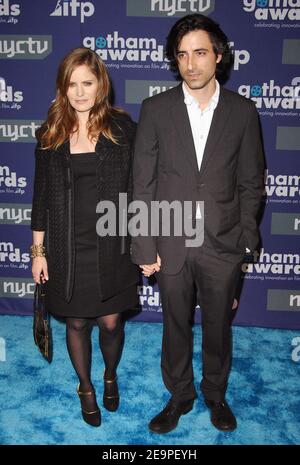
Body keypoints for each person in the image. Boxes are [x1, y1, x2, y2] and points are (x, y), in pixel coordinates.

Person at [131, 14, 264, 433]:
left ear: (218, 56)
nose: (191, 64)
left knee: (218, 325)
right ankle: (180, 395)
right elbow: (142, 182)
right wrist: (144, 245)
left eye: (200, 53)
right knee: (174, 323)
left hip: (223, 244)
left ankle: (215, 394)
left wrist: (245, 238)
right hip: (170, 240)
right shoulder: (155, 109)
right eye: (183, 55)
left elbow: (251, 183)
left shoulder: (243, 112)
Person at [31, 47, 138, 427]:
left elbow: (140, 189)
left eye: (87, 83)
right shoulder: (50, 133)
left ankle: (110, 374)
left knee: (111, 322)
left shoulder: (123, 129)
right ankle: (86, 387)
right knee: (76, 323)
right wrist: (38, 251)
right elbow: (40, 195)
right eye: (72, 84)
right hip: (66, 246)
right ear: (63, 88)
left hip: (112, 244)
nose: (79, 92)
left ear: (100, 84)